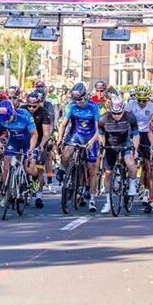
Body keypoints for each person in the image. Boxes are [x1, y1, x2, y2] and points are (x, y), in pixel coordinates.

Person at [58, 83, 100, 212]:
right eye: (75, 99)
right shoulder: (71, 106)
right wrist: (60, 139)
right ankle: (70, 174)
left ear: (85, 96)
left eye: (80, 99)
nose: (78, 102)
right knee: (65, 155)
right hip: (77, 135)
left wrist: (92, 141)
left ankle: (92, 199)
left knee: (92, 170)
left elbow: (99, 129)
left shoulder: (93, 107)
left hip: (91, 137)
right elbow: (63, 124)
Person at [95, 97, 139, 214]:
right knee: (108, 173)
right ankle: (108, 202)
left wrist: (135, 149)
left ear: (123, 110)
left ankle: (132, 184)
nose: (117, 116)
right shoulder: (103, 119)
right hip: (110, 144)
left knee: (131, 164)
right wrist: (102, 147)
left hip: (125, 143)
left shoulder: (130, 117)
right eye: (114, 114)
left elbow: (135, 134)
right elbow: (101, 135)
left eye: (119, 113)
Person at [0, 99, 38, 208]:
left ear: (13, 112)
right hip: (13, 141)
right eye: (4, 120)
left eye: (8, 118)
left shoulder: (25, 115)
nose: (7, 121)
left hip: (27, 141)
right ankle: (6, 193)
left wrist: (31, 149)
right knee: (6, 166)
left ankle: (35, 180)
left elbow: (34, 134)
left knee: (29, 169)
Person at [126, 85, 153, 203]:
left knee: (147, 165)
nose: (141, 103)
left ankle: (146, 191)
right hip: (133, 133)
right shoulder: (130, 105)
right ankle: (128, 181)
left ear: (148, 99)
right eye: (139, 100)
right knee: (129, 159)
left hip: (146, 134)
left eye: (144, 100)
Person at [20, 91, 52, 208]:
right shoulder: (22, 110)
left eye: (34, 106)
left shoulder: (44, 112)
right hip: (25, 139)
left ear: (39, 104)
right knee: (23, 164)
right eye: (29, 106)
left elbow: (46, 133)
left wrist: (42, 145)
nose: (31, 108)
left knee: (38, 170)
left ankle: (39, 196)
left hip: (39, 141)